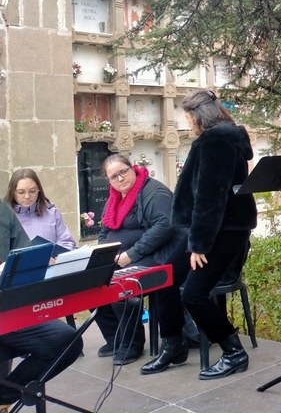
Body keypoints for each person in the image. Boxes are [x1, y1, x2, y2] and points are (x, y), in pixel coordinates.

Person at [140, 89, 256, 379]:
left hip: (223, 232)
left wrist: (199, 245)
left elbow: (211, 196)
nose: (188, 122)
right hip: (206, 229)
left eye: (188, 116)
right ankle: (173, 346)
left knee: (194, 294)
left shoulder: (216, 141)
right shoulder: (221, 138)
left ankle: (234, 352)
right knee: (164, 278)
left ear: (197, 116)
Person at [93, 154, 180, 365]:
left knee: (120, 284)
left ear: (133, 169)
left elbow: (164, 226)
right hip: (120, 257)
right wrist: (103, 254)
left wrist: (130, 255)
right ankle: (116, 337)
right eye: (114, 177)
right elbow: (105, 231)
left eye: (123, 172)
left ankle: (132, 343)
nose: (120, 179)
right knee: (89, 282)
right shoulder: (115, 198)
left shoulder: (153, 192)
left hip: (156, 256)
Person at [0, 200, 83, 408]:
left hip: (9, 310)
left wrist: (41, 260)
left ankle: (4, 396)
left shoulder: (2, 211)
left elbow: (24, 252)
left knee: (65, 341)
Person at [6, 169, 76, 251]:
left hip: (53, 263)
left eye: (32, 191)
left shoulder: (52, 213)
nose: (27, 196)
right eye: (21, 192)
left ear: (39, 190)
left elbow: (67, 243)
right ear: (12, 192)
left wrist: (56, 256)